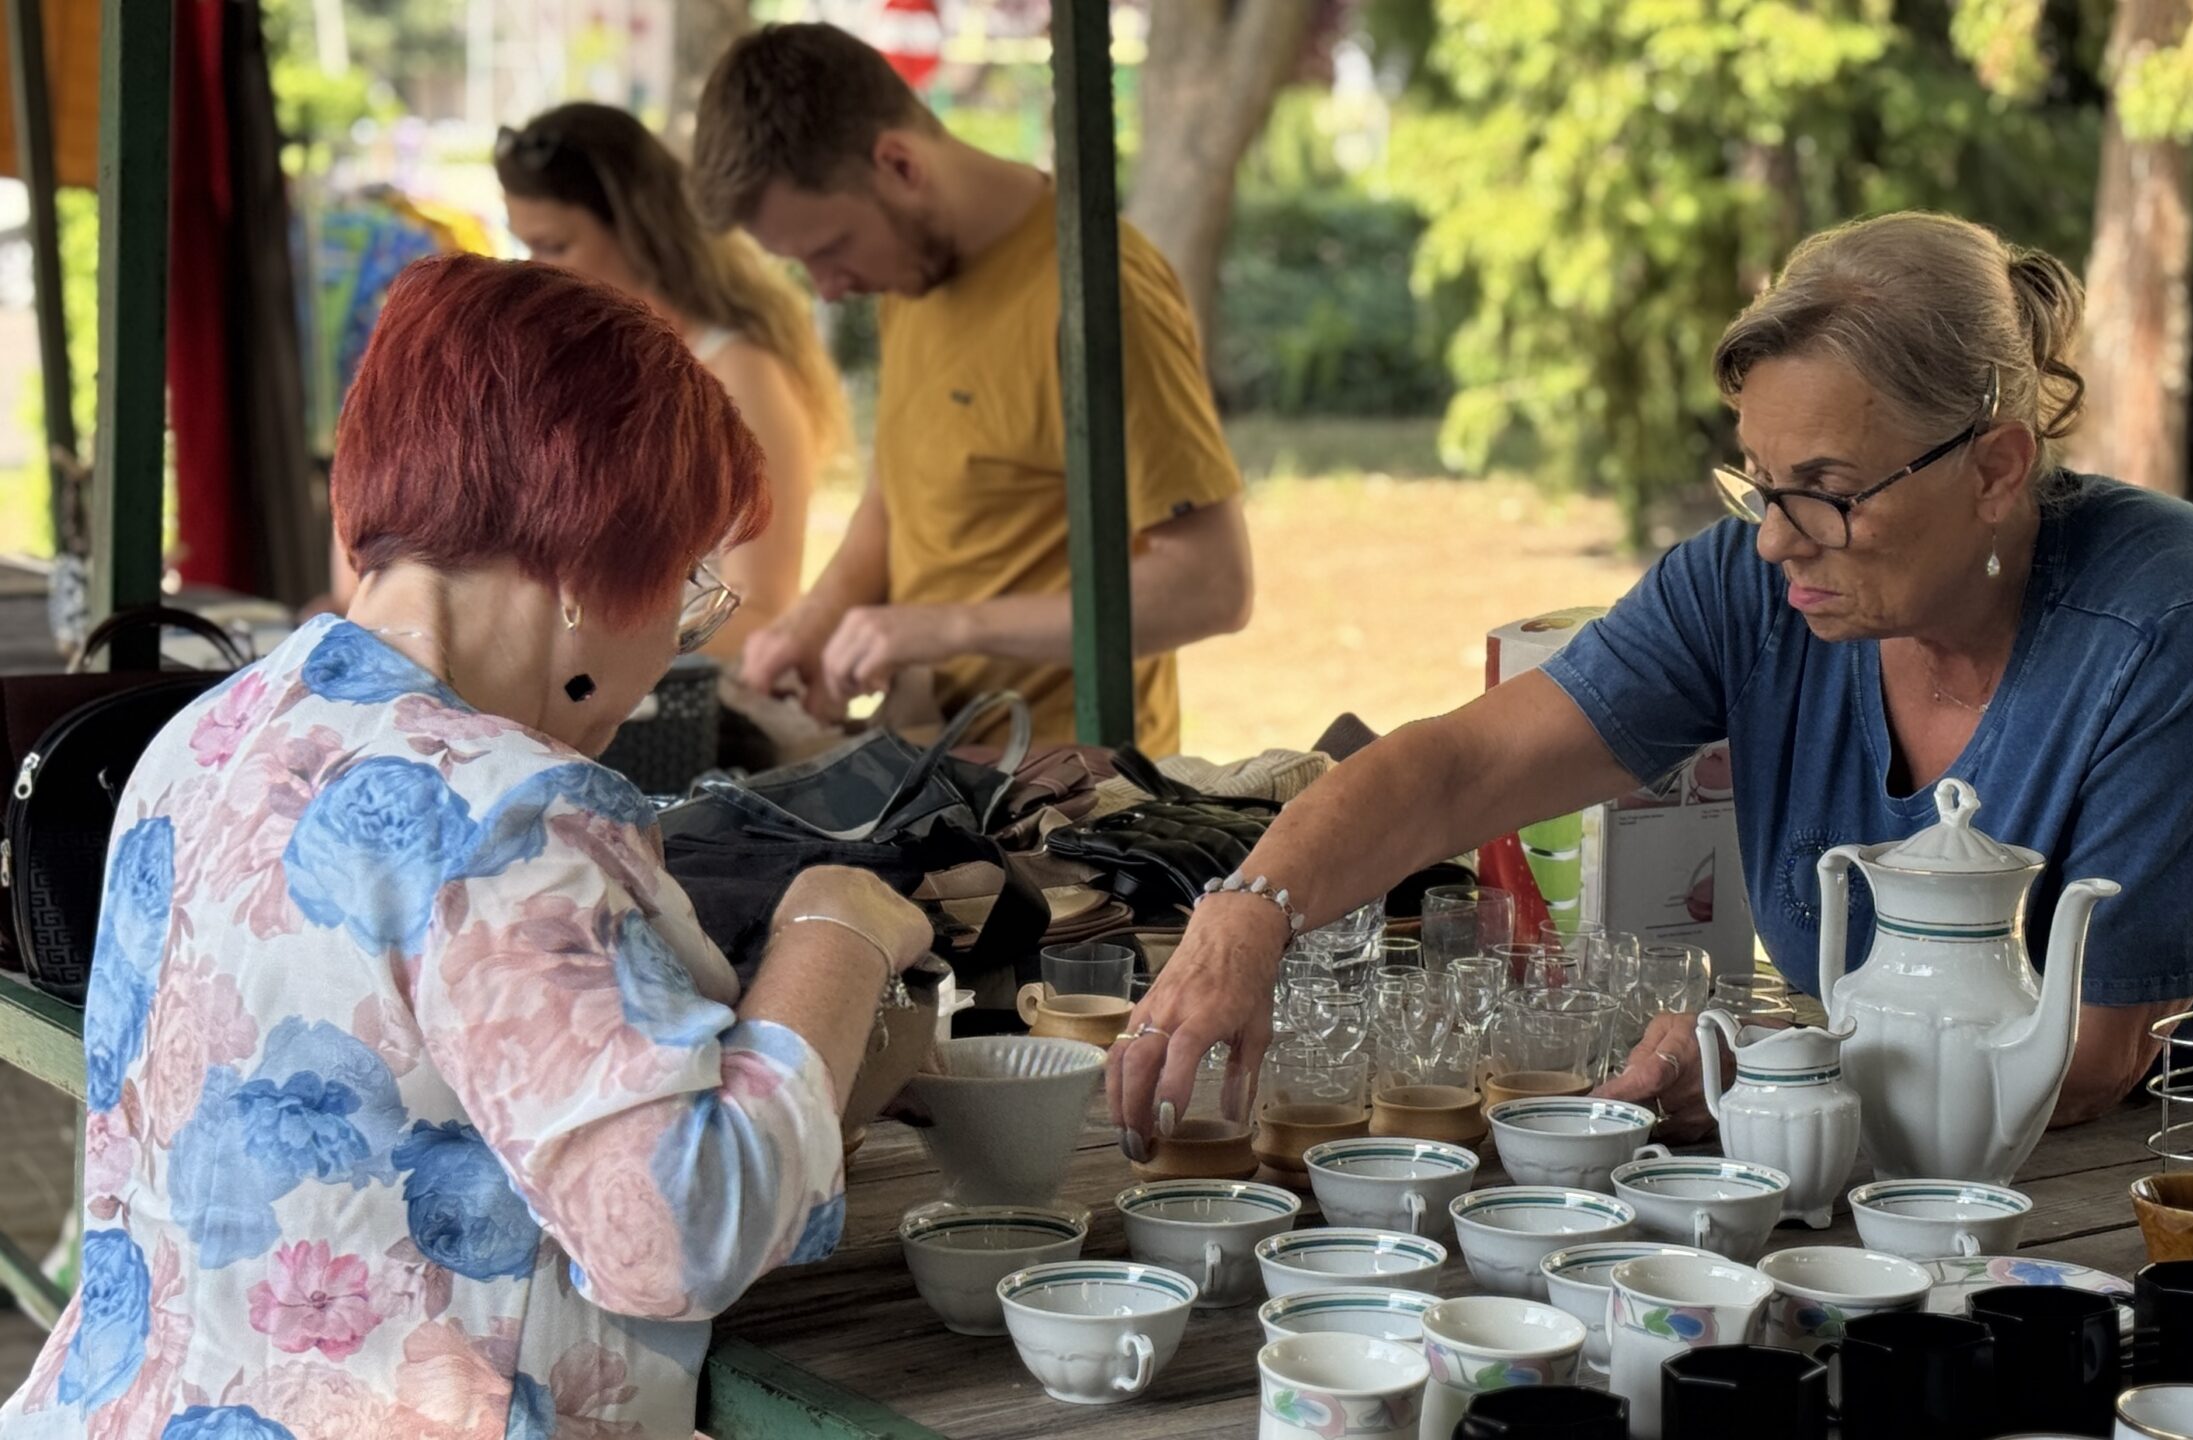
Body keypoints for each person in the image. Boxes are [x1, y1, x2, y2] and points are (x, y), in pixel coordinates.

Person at [1106, 212, 2193, 1155]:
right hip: (1934, 1139)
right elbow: (1460, 767)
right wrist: (1246, 915)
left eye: (1828, 491)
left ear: (1997, 468)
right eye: (1759, 483)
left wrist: (1768, 1064)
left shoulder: (2175, 622)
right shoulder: (1755, 584)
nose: (1777, 539)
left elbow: (2092, 1058)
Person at [0, 255, 932, 1440]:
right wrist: (835, 931)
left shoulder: (201, 738)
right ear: (595, 568)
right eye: (689, 581)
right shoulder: (504, 812)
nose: (678, 633)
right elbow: (677, 1237)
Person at [690, 24, 1254, 755]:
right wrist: (814, 622)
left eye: (831, 249)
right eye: (804, 266)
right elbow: (896, 502)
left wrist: (948, 626)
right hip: (935, 757)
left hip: (1072, 784)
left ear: (899, 165)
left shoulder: (1097, 294)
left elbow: (1212, 585)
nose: (828, 290)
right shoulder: (911, 269)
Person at [314, 102, 847, 653]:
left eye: (555, 246)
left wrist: (589, 658)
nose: (536, 268)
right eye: (524, 244)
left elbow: (762, 610)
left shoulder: (740, 374)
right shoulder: (555, 367)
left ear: (641, 234)